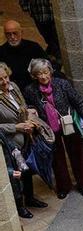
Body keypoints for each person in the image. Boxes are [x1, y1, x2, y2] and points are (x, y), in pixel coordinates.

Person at [23, 58, 83, 199]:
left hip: (68, 122)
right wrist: (32, 110)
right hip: (48, 128)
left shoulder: (62, 84)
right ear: (34, 76)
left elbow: (77, 100)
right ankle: (63, 186)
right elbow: (29, 106)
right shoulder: (30, 90)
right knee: (56, 157)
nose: (43, 76)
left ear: (50, 71)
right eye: (39, 73)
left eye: (45, 72)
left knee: (76, 153)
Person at [0, 61, 47, 217]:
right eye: (0, 80)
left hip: (26, 137)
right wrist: (17, 127)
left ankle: (30, 198)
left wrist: (29, 117)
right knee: (16, 174)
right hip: (11, 143)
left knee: (27, 170)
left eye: (5, 77)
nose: (5, 82)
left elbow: (23, 106)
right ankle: (20, 206)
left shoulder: (13, 87)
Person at [0, 19, 48, 90]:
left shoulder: (34, 47)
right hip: (13, 89)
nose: (12, 37)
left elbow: (46, 65)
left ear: (21, 32)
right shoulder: (1, 51)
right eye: (8, 34)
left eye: (15, 33)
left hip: (36, 87)